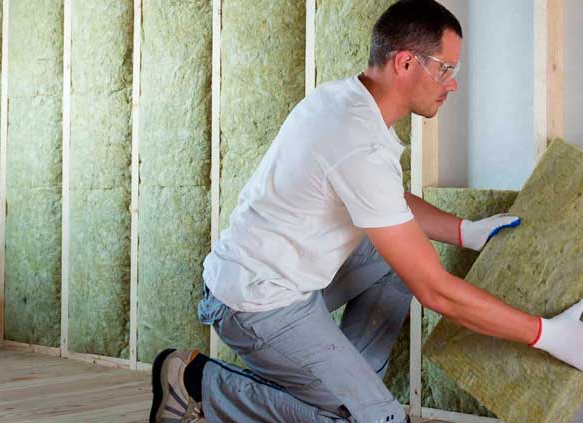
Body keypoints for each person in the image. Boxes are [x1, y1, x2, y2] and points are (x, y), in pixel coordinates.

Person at [149, 1, 583, 422]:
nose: (452, 84)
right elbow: (438, 292)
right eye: (446, 69)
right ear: (406, 63)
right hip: (254, 303)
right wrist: (548, 335)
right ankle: (195, 382)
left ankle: (351, 386)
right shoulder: (356, 140)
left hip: (279, 277)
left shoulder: (347, 101)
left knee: (395, 260)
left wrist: (464, 230)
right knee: (378, 418)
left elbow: (386, 202)